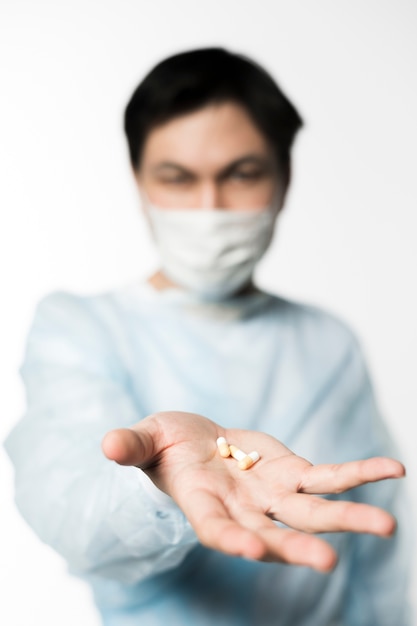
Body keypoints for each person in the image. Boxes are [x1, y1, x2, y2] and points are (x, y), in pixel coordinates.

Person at [4, 47, 413, 626]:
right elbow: (70, 509)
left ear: (284, 177)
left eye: (241, 175)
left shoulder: (329, 340)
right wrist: (160, 486)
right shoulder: (81, 326)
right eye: (177, 178)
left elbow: (376, 546)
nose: (209, 208)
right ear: (139, 180)